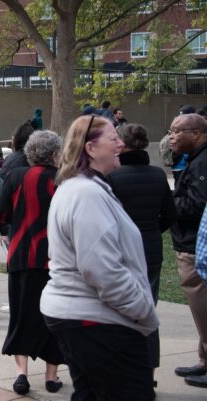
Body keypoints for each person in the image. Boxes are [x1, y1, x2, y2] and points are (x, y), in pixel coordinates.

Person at [40, 115, 159, 401]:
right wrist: (143, 311)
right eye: (113, 138)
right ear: (90, 149)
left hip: (84, 317)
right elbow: (102, 270)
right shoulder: (85, 193)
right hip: (95, 320)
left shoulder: (84, 188)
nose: (121, 143)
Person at [0, 130, 64, 395]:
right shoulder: (61, 179)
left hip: (22, 254)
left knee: (22, 315)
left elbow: (0, 211)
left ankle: (21, 373)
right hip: (54, 258)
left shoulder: (15, 176)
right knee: (54, 315)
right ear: (55, 153)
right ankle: (51, 376)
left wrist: (16, 218)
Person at [107, 123, 178, 376]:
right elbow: (170, 215)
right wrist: (149, 231)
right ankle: (147, 369)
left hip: (120, 250)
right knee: (147, 308)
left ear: (122, 145)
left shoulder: (113, 177)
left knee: (118, 310)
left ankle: (124, 368)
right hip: (150, 248)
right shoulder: (158, 175)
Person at [168, 114, 207, 389]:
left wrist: (167, 203)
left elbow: (197, 205)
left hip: (195, 247)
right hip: (189, 244)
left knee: (203, 307)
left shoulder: (203, 161)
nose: (171, 136)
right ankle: (204, 360)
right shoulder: (196, 158)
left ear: (196, 134)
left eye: (176, 131)